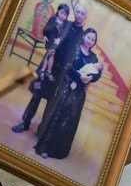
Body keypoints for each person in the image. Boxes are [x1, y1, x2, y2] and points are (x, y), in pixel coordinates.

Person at [13, 4, 87, 134]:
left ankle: (41, 130)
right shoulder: (66, 24)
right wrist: (47, 40)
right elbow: (51, 34)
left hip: (62, 72)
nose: (79, 15)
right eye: (78, 12)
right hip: (49, 64)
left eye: (82, 13)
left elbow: (79, 55)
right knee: (36, 95)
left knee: (51, 103)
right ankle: (25, 123)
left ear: (85, 17)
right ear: (74, 13)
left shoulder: (83, 35)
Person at [34, 28, 103, 160]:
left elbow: (97, 74)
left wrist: (91, 78)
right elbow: (67, 66)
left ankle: (60, 151)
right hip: (67, 87)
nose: (90, 41)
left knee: (70, 121)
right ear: (83, 36)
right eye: (89, 38)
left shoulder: (94, 57)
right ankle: (45, 148)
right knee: (57, 116)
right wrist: (79, 77)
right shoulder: (75, 49)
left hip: (79, 93)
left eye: (93, 39)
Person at [35, 3, 70, 87]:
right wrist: (44, 36)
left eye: (65, 14)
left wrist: (59, 39)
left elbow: (63, 35)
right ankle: (48, 71)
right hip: (50, 40)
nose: (62, 15)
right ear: (58, 11)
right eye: (61, 13)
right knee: (51, 54)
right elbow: (46, 28)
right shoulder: (53, 19)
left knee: (51, 53)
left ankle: (44, 70)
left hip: (57, 43)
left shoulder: (65, 24)